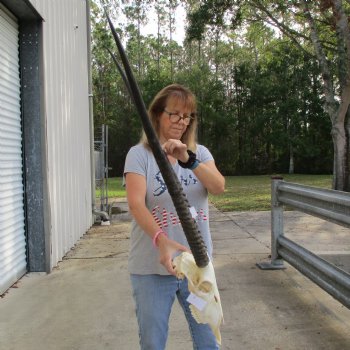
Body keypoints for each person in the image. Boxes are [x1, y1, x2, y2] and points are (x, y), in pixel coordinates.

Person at [124, 83, 225, 350]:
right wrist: (161, 239)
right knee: (153, 343)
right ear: (158, 114)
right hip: (153, 268)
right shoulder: (139, 155)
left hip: (197, 268)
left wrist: (188, 159)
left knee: (208, 342)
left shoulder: (199, 154)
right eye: (174, 114)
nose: (181, 121)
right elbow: (135, 204)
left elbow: (218, 187)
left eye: (187, 116)